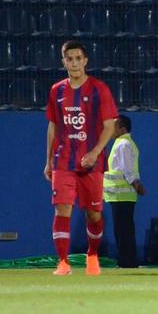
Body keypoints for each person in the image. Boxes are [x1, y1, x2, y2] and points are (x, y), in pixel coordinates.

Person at [44, 40, 118, 276]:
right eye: (69, 58)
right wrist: (48, 161)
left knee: (94, 214)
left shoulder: (99, 89)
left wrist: (95, 152)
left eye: (78, 58)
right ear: (63, 61)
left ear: (85, 61)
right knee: (62, 209)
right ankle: (63, 263)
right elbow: (53, 127)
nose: (74, 63)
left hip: (91, 164)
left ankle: (93, 254)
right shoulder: (57, 90)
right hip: (63, 161)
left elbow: (110, 126)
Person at [103, 115, 146, 268]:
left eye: (114, 126)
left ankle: (127, 261)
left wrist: (136, 184)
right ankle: (127, 260)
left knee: (123, 230)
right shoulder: (122, 143)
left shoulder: (123, 144)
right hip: (120, 195)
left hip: (121, 195)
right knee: (123, 229)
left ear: (122, 128)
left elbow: (127, 169)